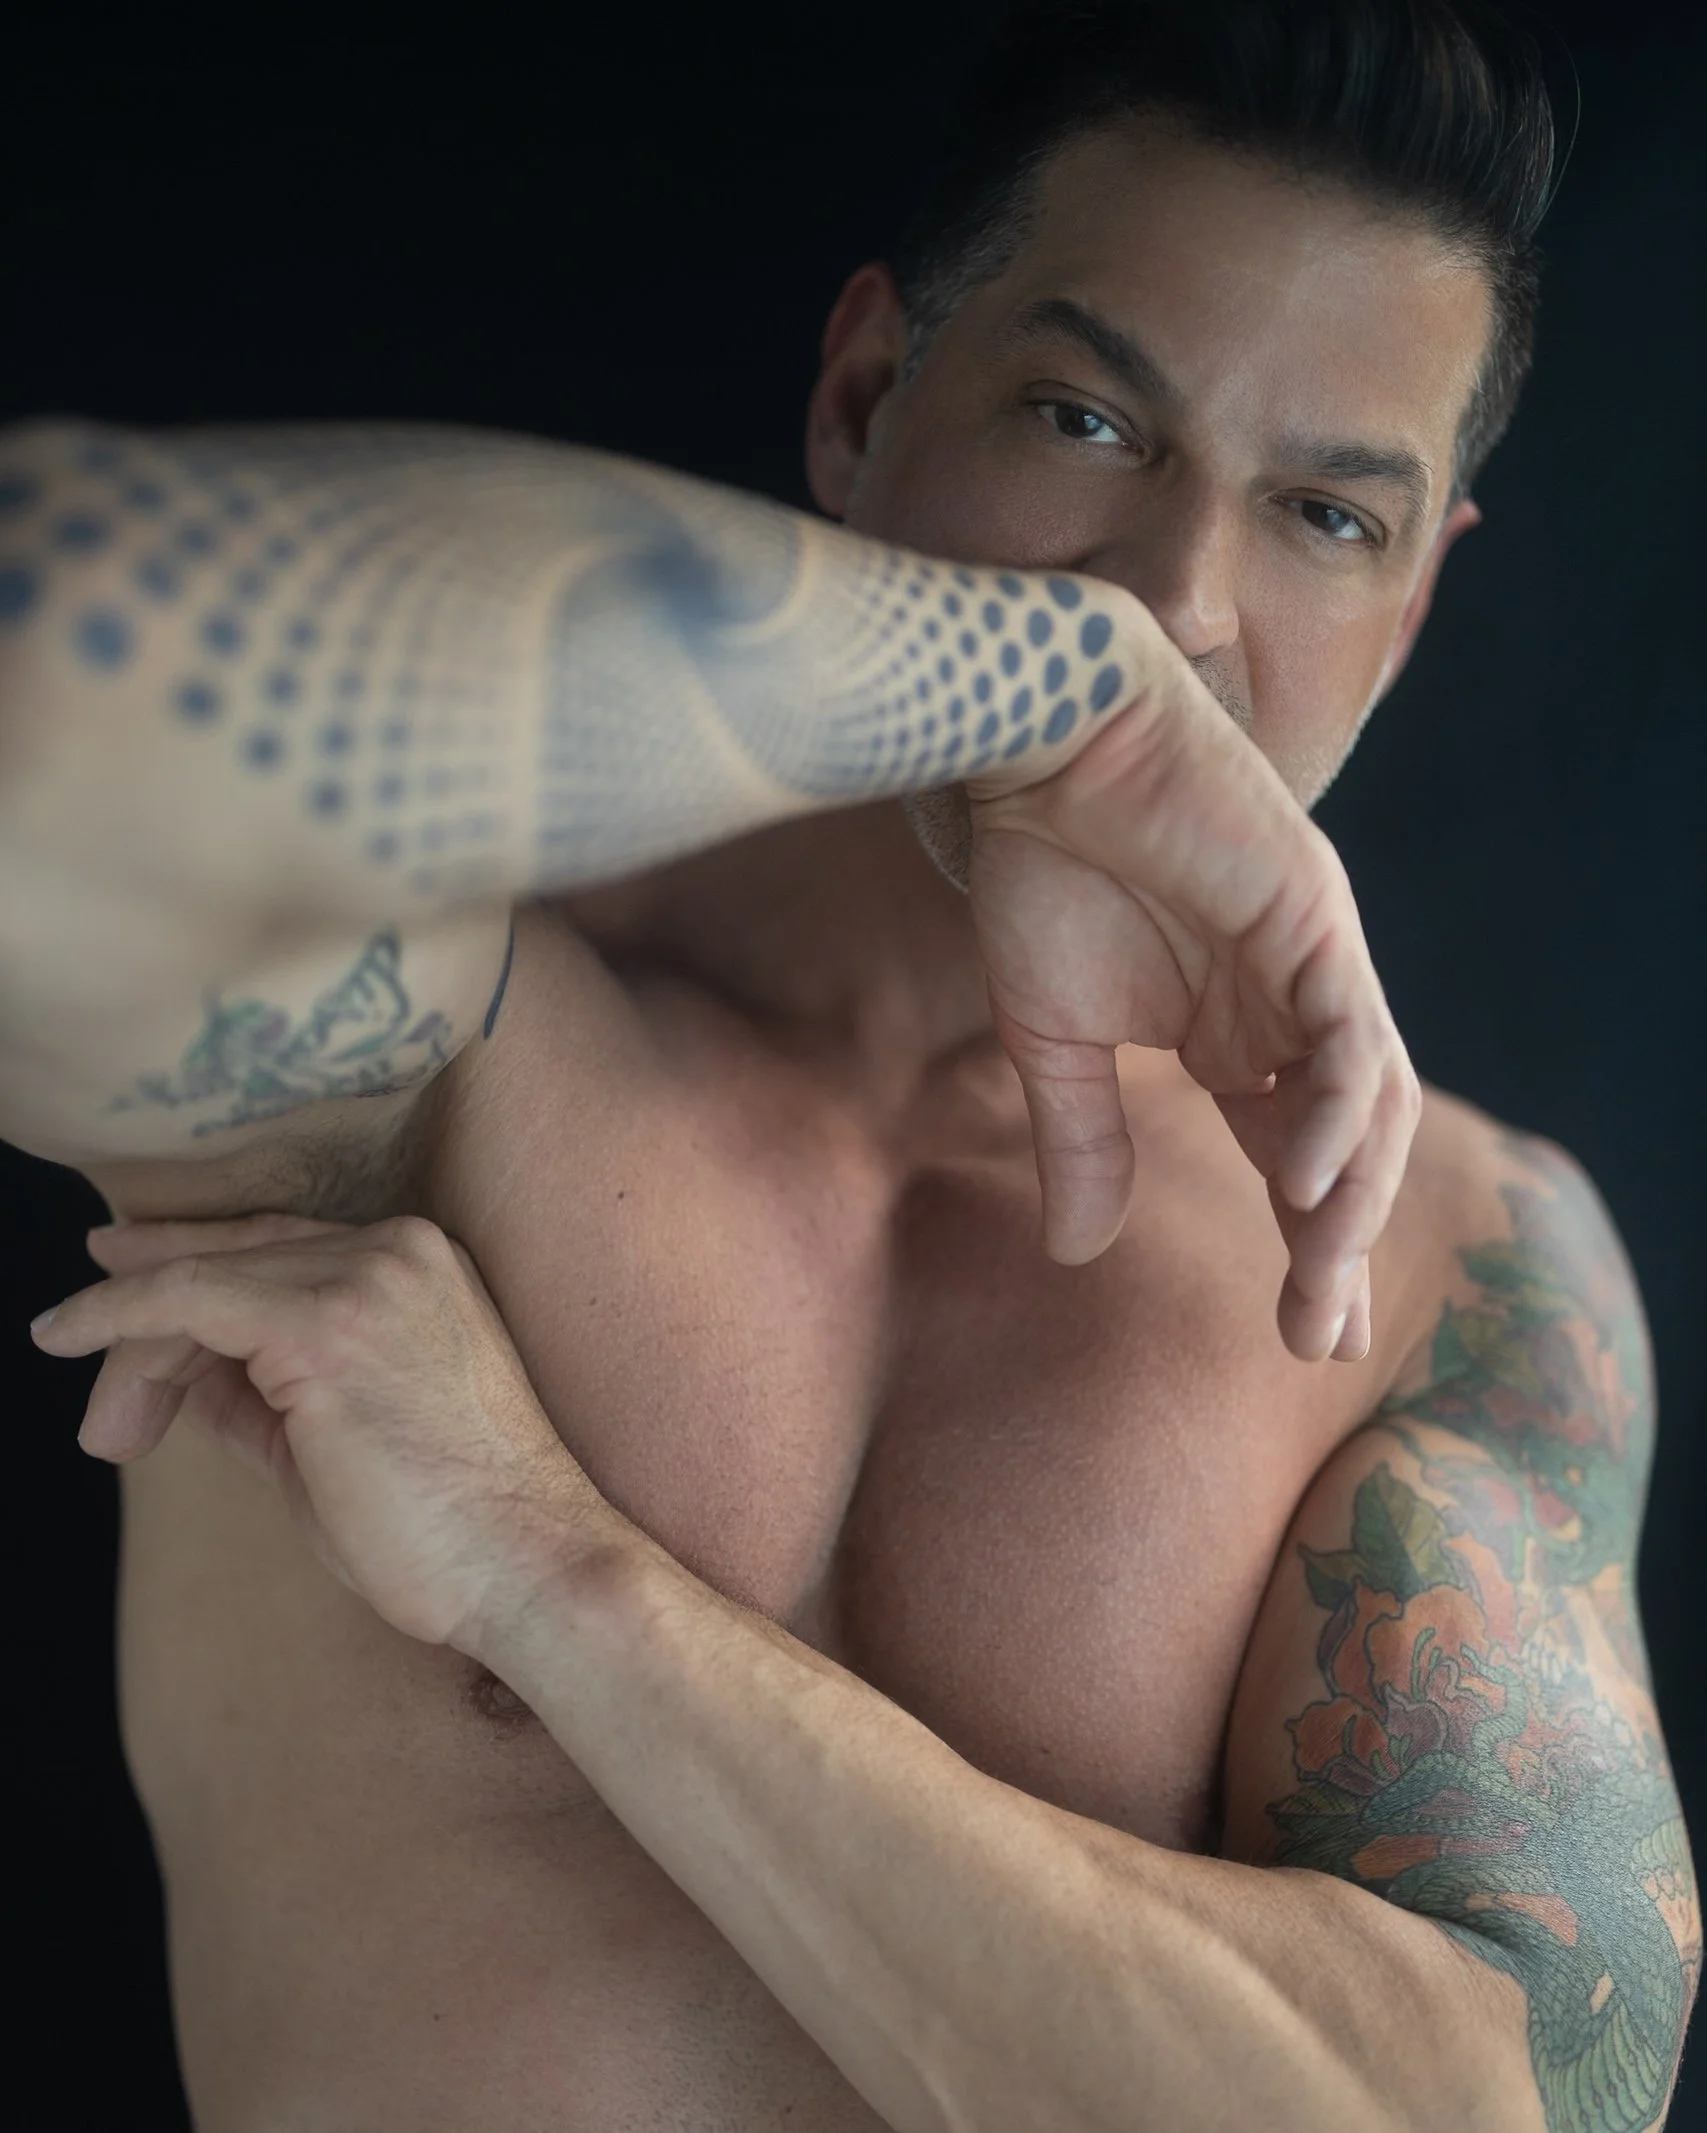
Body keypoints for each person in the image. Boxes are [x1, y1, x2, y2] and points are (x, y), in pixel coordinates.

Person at [3, 0, 1698, 2124]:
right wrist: (1035, 692)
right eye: (1085, 420)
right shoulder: (440, 1031)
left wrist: (555, 1576)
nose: (1172, 604)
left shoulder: (1451, 1258)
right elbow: (44, 684)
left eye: (1325, 520)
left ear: (1418, 604)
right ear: (863, 396)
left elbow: (1481, 2107)